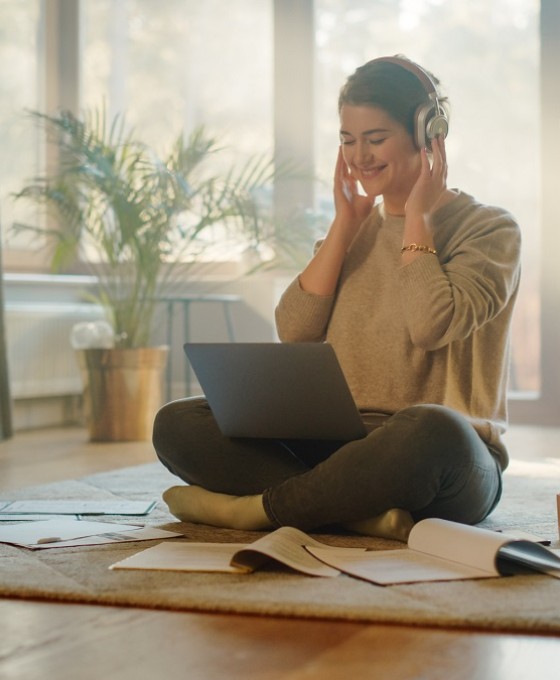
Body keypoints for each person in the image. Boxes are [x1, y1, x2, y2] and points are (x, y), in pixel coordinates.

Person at [152, 55, 521, 541]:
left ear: (429, 134)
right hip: (335, 447)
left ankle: (260, 511)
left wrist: (417, 220)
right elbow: (295, 331)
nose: (358, 157)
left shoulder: (491, 230)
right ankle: (349, 512)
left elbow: (432, 324)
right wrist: (344, 225)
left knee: (434, 429)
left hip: (437, 459)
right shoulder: (353, 231)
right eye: (348, 140)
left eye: (375, 139)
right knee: (178, 422)